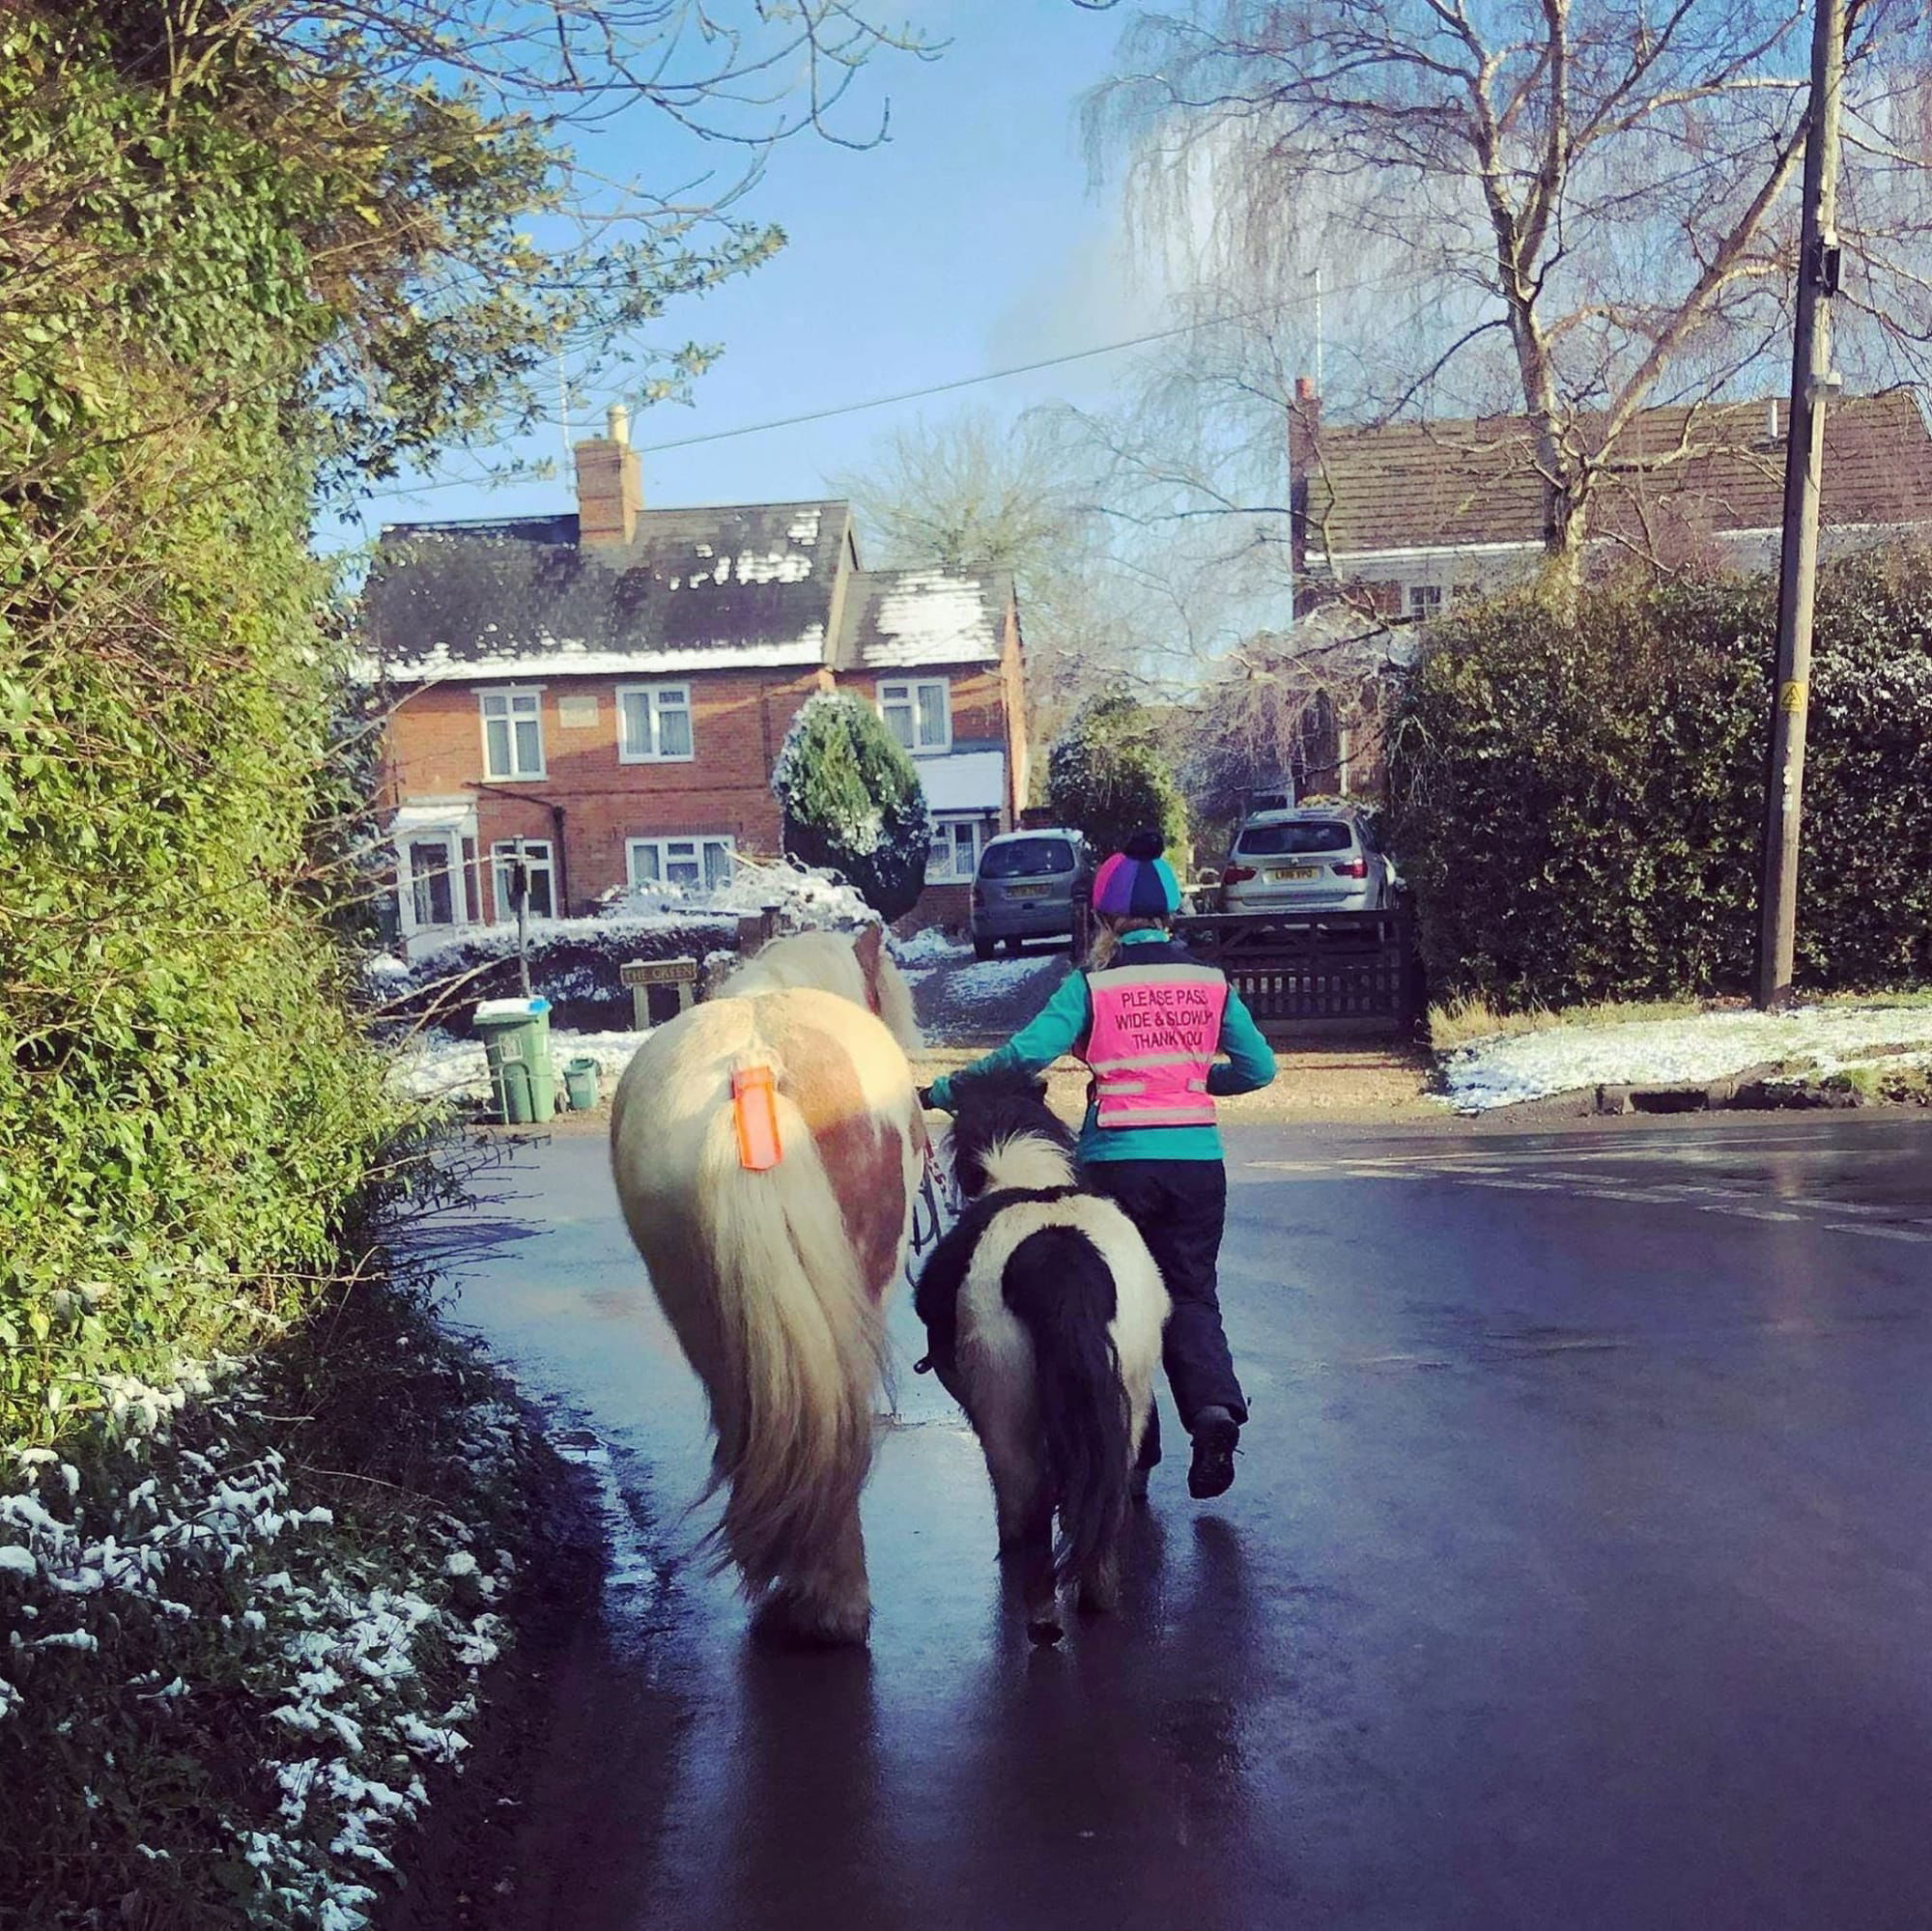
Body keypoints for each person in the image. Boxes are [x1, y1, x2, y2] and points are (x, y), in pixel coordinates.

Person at [922, 828, 1276, 1499]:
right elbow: (1260, 1068)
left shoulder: (1093, 986)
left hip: (1118, 1165)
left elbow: (1023, 1056)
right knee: (1193, 1292)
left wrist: (948, 1090)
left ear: (1108, 918)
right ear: (1169, 911)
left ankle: (1135, 1448)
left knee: (1123, 1303)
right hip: (1198, 1163)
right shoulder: (1209, 982)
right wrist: (1198, 1083)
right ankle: (1213, 1410)